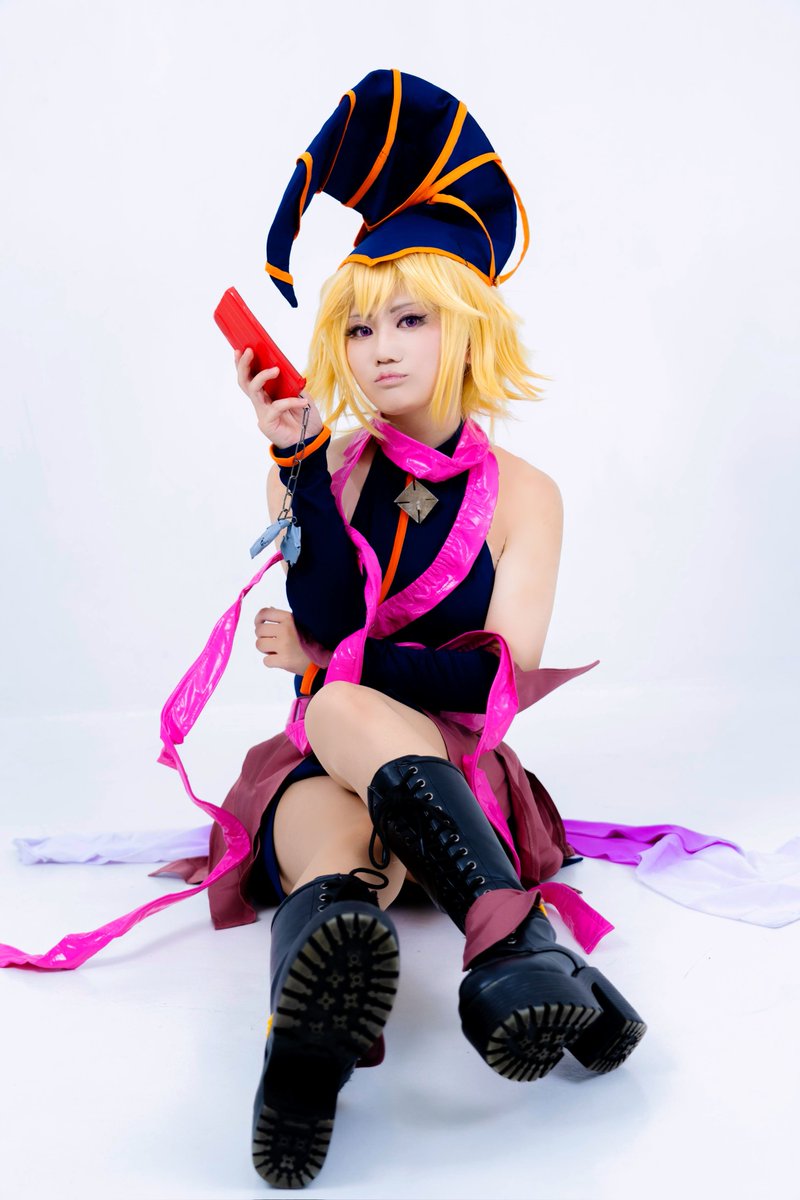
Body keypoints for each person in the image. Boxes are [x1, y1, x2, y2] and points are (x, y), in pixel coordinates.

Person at [205, 69, 647, 1190]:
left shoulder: (528, 495)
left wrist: (330, 666)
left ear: (469, 326)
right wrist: (300, 465)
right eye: (358, 326)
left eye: (410, 319)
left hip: (448, 761)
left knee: (339, 709)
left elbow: (489, 685)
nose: (379, 350)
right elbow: (323, 615)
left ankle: (449, 973)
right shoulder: (322, 468)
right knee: (324, 840)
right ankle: (325, 1042)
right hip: (332, 765)